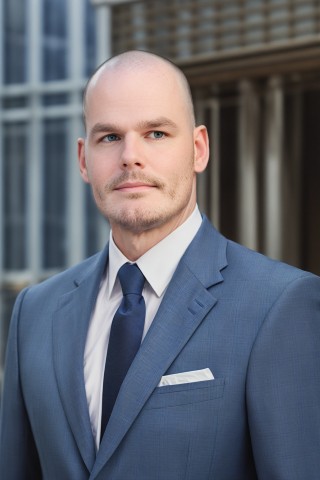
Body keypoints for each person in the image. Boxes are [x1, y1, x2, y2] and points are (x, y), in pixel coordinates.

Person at [0, 50, 319, 480]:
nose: (130, 156)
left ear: (198, 149)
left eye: (155, 133)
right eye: (109, 137)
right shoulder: (34, 313)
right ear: (83, 160)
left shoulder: (280, 305)